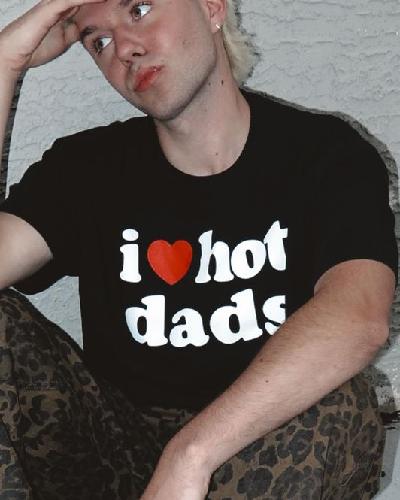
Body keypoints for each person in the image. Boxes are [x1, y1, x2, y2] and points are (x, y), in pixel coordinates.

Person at [0, 0, 397, 498]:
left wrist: (191, 456)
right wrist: (6, 62)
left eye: (139, 10)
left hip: (265, 445)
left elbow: (359, 319)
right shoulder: (86, 170)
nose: (124, 49)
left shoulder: (325, 155)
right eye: (98, 40)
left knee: (341, 400)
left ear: (211, 8)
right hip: (116, 452)